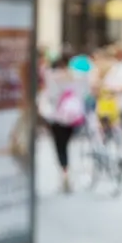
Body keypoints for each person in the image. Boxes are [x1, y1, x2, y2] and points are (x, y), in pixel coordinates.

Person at [41, 52, 86, 193]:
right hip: (74, 117)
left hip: (57, 116)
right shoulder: (77, 77)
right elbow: (84, 94)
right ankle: (66, 172)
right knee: (66, 144)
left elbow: (50, 96)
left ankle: (64, 172)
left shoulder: (53, 77)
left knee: (60, 146)